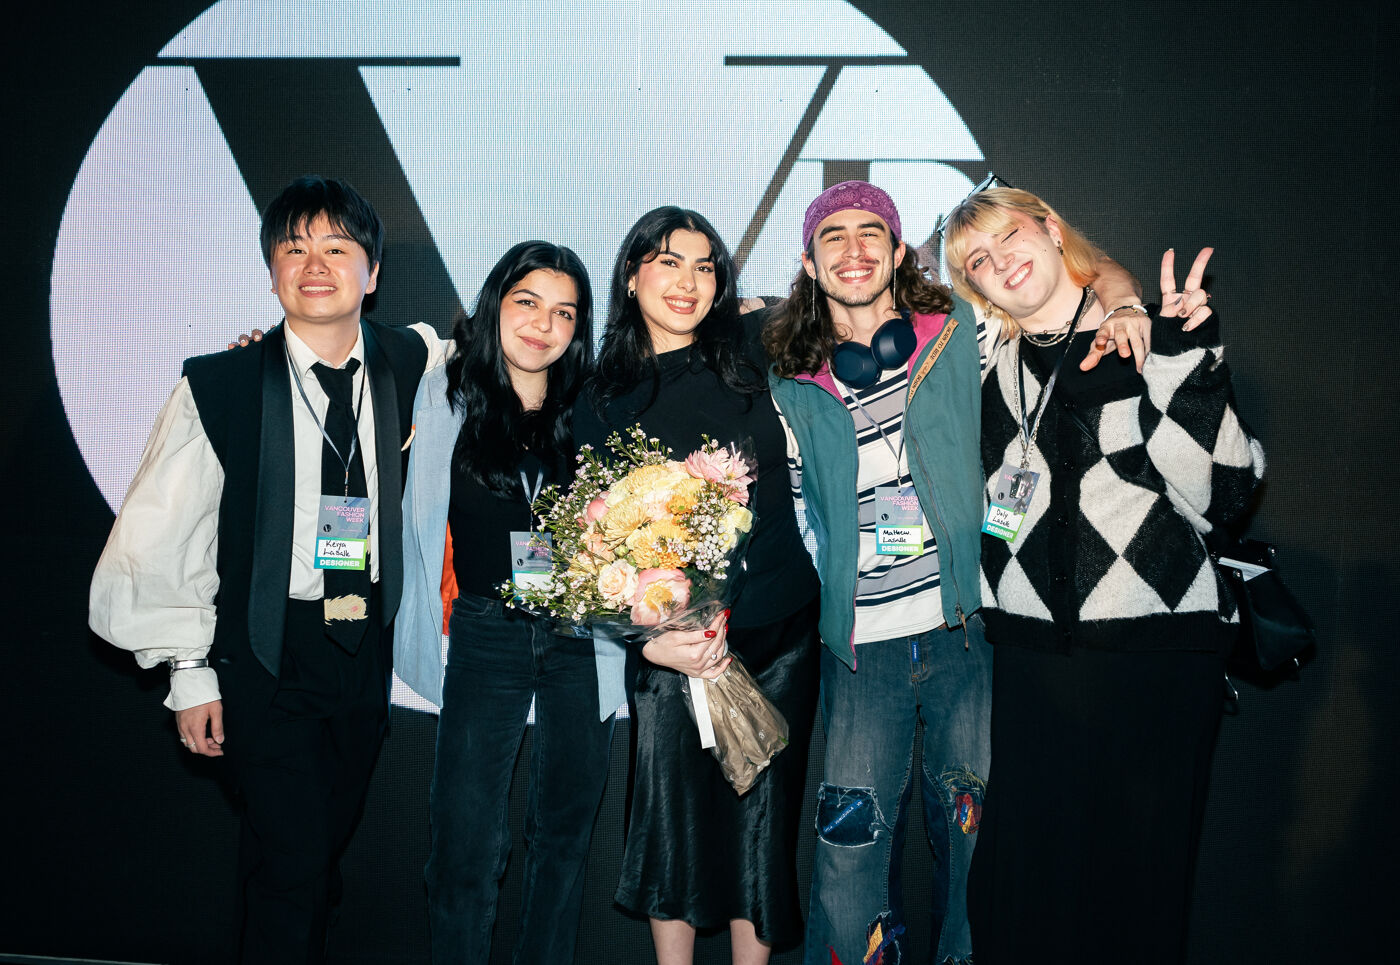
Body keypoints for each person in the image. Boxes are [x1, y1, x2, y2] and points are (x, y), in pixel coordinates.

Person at [762, 180, 1161, 965]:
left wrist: (1123, 302)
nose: (854, 248)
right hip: (860, 648)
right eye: (833, 235)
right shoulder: (789, 387)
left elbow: (1085, 276)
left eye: (871, 231)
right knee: (848, 852)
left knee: (978, 842)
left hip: (967, 633)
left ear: (900, 252)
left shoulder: (959, 330)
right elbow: (806, 511)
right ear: (808, 264)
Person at [89, 175, 445, 964]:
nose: (315, 265)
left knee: (302, 860)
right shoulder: (218, 384)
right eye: (295, 248)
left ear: (373, 272)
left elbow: (517, 347)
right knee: (294, 862)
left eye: (337, 248)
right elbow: (158, 537)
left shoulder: (411, 357)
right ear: (272, 271)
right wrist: (189, 673)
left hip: (363, 657)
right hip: (262, 655)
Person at [940, 186, 1260, 964]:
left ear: (1051, 230)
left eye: (1010, 237)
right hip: (1031, 663)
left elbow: (1225, 494)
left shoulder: (1147, 333)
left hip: (1151, 657)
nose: (1000, 262)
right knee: (1025, 888)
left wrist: (1183, 355)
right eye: (977, 260)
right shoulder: (992, 360)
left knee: (1134, 889)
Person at [573, 206, 822, 965]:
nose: (688, 281)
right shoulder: (595, 394)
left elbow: (850, 307)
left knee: (763, 829)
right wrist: (652, 645)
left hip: (778, 636)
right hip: (670, 649)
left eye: (705, 265)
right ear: (632, 272)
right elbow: (587, 550)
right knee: (670, 830)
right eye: (669, 261)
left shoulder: (753, 349)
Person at [393, 241, 616, 965]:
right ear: (496, 304)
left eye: (563, 312)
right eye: (527, 302)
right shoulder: (441, 388)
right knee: (464, 847)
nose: (542, 324)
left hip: (580, 638)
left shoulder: (594, 410)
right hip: (487, 635)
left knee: (563, 841)